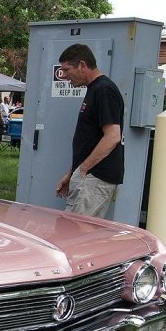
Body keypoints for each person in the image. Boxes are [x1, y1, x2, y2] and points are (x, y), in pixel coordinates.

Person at [54, 43, 124, 219]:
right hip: (88, 175)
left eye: (67, 69)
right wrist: (72, 174)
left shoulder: (104, 90)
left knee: (77, 235)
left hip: (95, 176)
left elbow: (113, 136)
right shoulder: (94, 89)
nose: (65, 75)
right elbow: (90, 140)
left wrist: (83, 170)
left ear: (82, 66)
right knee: (70, 229)